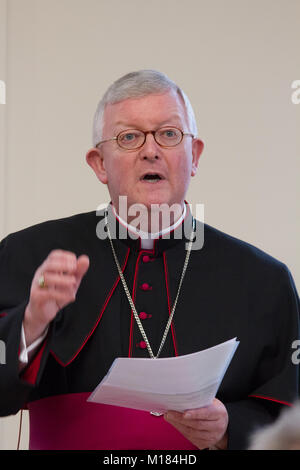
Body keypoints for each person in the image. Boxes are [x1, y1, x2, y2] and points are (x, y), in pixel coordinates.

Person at [0, 70, 299, 450]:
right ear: (99, 164)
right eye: (129, 137)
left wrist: (229, 427)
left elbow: (291, 418)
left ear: (195, 156)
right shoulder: (29, 254)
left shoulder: (263, 280)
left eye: (169, 134)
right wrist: (31, 323)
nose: (151, 150)